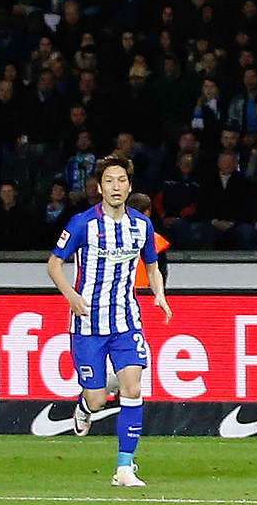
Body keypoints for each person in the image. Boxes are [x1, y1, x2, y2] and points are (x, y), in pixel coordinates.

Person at [45, 154, 171, 487]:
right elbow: (54, 263)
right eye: (109, 181)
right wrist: (70, 295)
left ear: (129, 186)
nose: (116, 187)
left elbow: (152, 265)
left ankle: (124, 468)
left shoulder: (141, 225)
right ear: (99, 187)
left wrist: (159, 293)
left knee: (134, 386)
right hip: (88, 323)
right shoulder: (82, 223)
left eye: (121, 181)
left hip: (126, 320)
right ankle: (86, 407)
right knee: (97, 398)